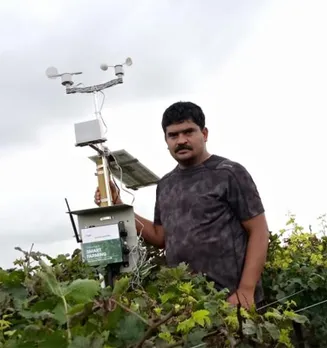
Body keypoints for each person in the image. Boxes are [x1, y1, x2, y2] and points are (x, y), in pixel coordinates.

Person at [94, 101, 269, 309]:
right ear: (166, 140)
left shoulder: (228, 173)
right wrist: (119, 205)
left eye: (188, 132)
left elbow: (259, 231)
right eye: (173, 135)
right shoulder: (166, 184)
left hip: (231, 300)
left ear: (204, 134)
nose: (181, 141)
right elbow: (160, 236)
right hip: (186, 301)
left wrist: (246, 291)